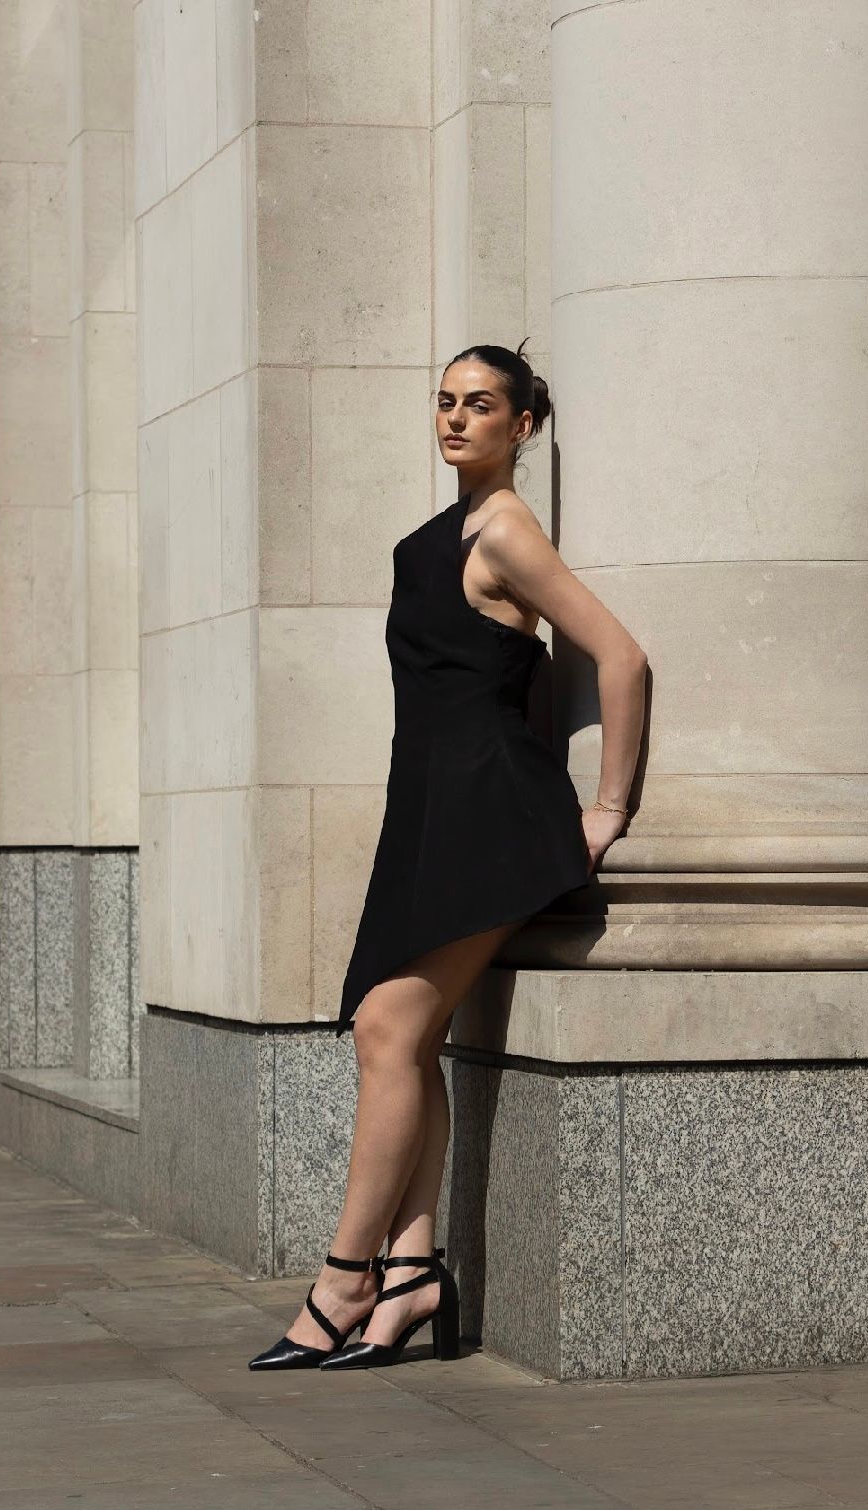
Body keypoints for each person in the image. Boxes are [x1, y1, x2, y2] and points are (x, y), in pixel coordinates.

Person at [250, 340, 647, 1372]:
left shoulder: (505, 527)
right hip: (427, 806)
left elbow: (618, 655)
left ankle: (345, 1277)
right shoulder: (439, 534)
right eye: (444, 401)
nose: (455, 418)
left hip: (488, 810)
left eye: (479, 405)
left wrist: (602, 809)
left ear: (522, 429)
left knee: (387, 1028)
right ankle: (414, 1271)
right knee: (396, 1039)